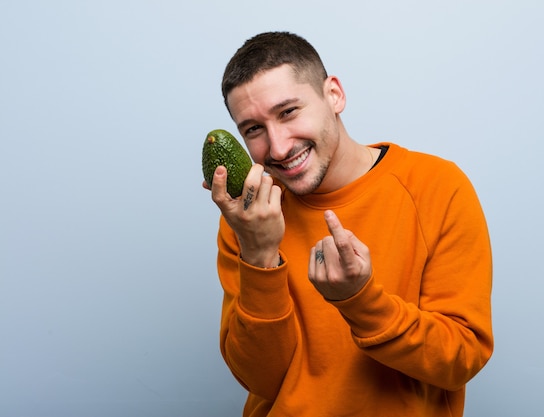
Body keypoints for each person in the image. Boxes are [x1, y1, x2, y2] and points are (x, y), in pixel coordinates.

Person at [203, 31, 493, 417]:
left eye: (288, 112)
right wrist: (259, 253)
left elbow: (460, 360)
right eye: (253, 129)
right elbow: (261, 379)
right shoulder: (249, 217)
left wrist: (361, 300)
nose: (278, 147)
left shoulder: (436, 187)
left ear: (334, 95)